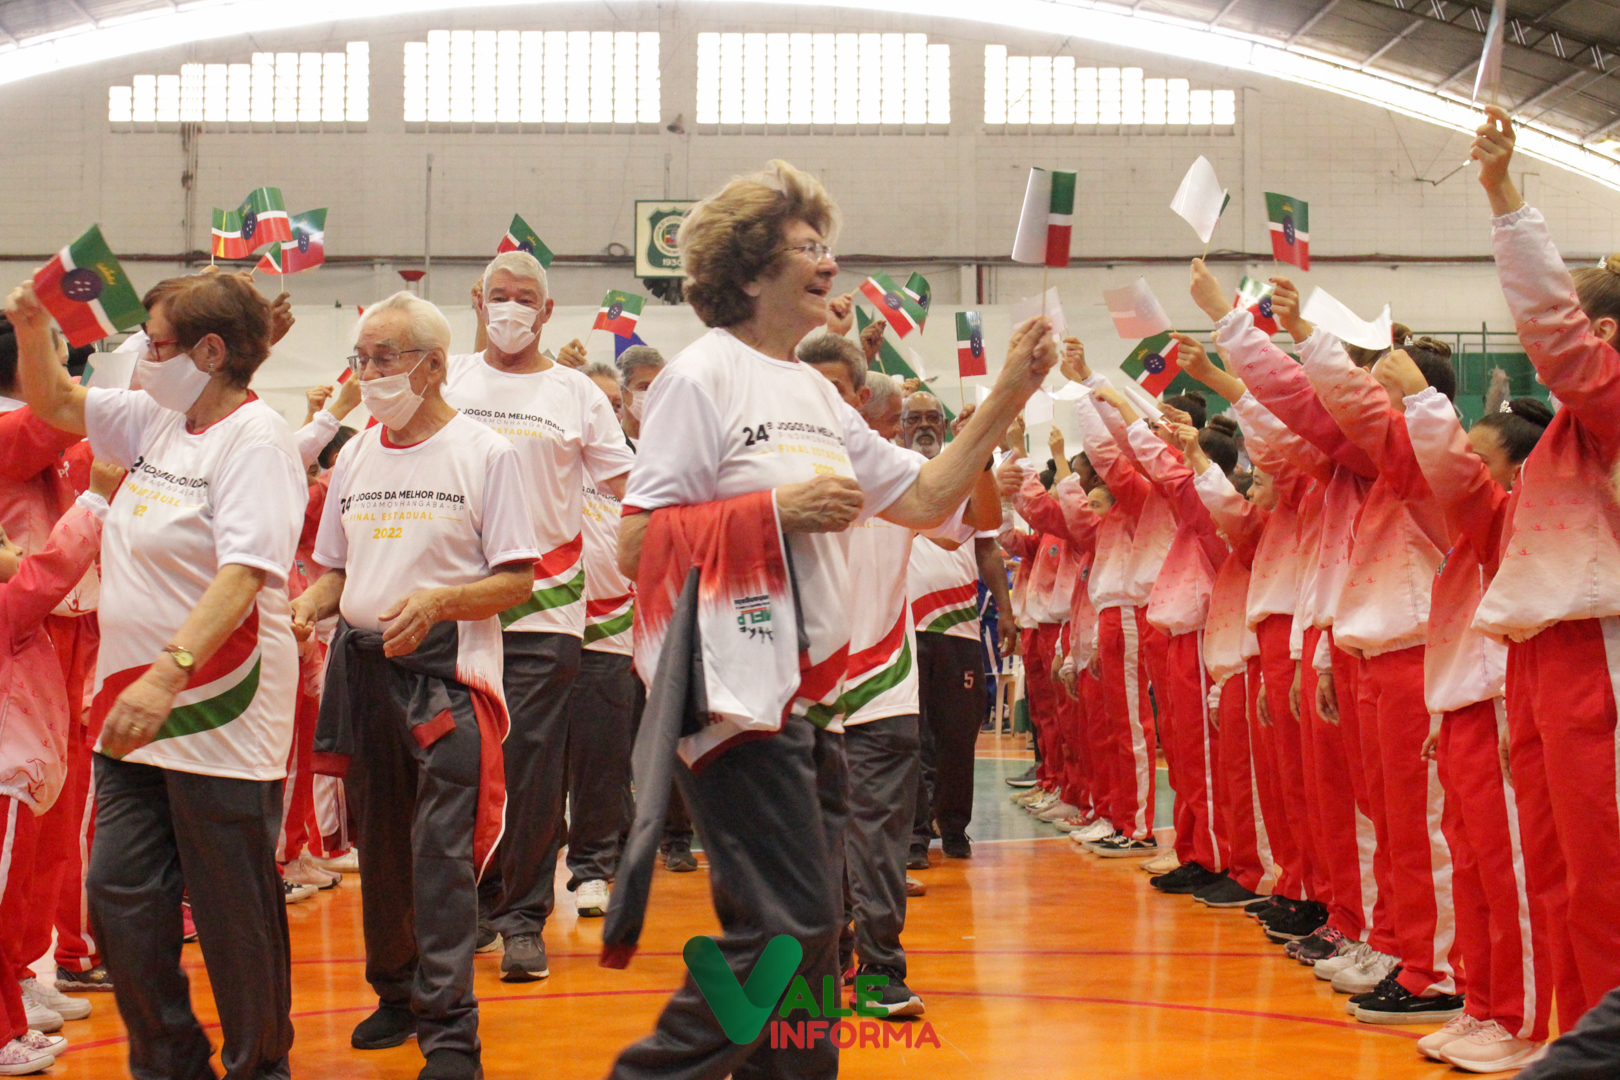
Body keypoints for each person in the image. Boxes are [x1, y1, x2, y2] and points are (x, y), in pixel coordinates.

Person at [609, 159, 1055, 1080]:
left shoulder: (813, 392)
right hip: (732, 695)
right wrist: (776, 511)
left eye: (827, 245)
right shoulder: (700, 378)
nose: (830, 263)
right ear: (748, 272)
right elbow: (636, 545)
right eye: (808, 247)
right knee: (792, 923)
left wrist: (1010, 390)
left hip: (811, 698)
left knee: (810, 937)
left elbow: (925, 497)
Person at [6, 271, 306, 1080]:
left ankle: (259, 1067)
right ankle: (172, 1064)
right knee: (120, 898)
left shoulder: (257, 440)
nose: (141, 352)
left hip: (216, 704)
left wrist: (169, 672)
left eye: (155, 340)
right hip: (128, 707)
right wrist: (32, 325)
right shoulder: (156, 416)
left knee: (233, 913)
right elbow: (56, 403)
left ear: (209, 352)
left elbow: (243, 576)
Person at [294, 291, 540, 1080]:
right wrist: (306, 605)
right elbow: (336, 571)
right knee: (380, 847)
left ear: (433, 366)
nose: (368, 373)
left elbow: (517, 579)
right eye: (361, 358)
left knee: (439, 856)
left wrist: (438, 602)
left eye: (384, 358)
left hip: (446, 677)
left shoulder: (486, 453)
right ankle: (395, 993)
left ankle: (451, 1031)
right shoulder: (356, 455)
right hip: (363, 672)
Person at [442, 251, 634, 981]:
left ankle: (522, 918)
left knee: (529, 767)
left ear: (548, 311)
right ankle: (470, 904)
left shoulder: (577, 393)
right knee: (459, 765)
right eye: (499, 295)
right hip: (456, 604)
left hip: (546, 608)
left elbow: (629, 483)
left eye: (526, 298)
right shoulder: (448, 378)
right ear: (478, 300)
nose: (512, 309)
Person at [1470, 105, 1620, 1029]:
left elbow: (1554, 335)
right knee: (1555, 862)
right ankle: (1577, 1034)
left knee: (1600, 868)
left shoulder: (1609, 401)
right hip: (1543, 650)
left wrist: (1504, 198)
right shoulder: (1573, 431)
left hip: (1596, 648)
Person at [0, 460, 118, 1075]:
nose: (16, 551)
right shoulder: (8, 606)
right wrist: (94, 499)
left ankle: (10, 1017)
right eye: (3, 542)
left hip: (16, 777)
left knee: (11, 899)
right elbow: (48, 572)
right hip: (5, 778)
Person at [900, 390, 1016, 862]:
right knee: (909, 737)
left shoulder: (967, 472)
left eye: (933, 417)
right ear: (900, 425)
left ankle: (953, 828)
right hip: (903, 627)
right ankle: (913, 836)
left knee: (957, 737)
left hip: (961, 628)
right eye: (914, 418)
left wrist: (1005, 609)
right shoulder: (891, 471)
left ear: (946, 425)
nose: (924, 425)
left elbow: (987, 545)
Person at [563, 361, 642, 917]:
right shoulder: (554, 460)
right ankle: (522, 874)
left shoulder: (638, 469)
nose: (607, 412)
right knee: (536, 765)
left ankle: (592, 868)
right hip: (546, 622)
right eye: (597, 402)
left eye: (615, 404)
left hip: (612, 631)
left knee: (601, 762)